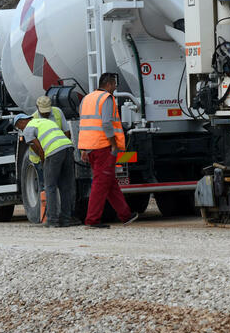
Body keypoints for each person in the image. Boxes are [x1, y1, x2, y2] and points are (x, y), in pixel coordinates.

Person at [78, 72, 137, 229]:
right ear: (109, 84)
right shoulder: (107, 99)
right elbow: (106, 123)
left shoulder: (87, 98)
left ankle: (126, 215)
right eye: (114, 85)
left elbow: (84, 123)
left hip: (90, 147)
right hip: (103, 146)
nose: (115, 88)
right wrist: (114, 144)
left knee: (109, 183)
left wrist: (84, 148)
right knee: (100, 183)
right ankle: (92, 220)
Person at [13, 113, 78, 227]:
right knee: (65, 186)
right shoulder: (45, 121)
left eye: (19, 127)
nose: (20, 129)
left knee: (50, 186)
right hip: (68, 148)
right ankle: (66, 219)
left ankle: (52, 220)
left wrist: (43, 162)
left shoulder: (28, 129)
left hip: (54, 152)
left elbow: (39, 149)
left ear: (21, 122)